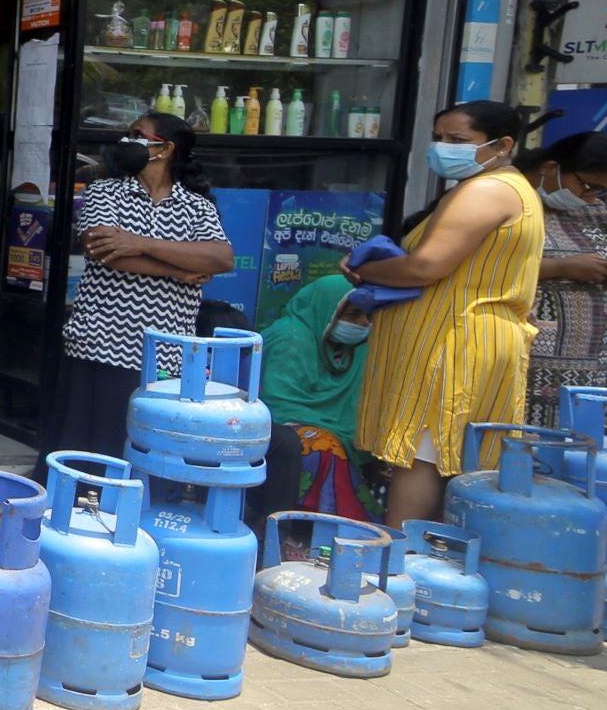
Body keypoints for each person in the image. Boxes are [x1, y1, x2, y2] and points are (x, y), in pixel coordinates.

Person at [354, 101, 544, 527]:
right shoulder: (503, 188)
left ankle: (401, 560)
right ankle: (421, 560)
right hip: (465, 337)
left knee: (424, 455)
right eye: (439, 137)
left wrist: (364, 269)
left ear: (504, 144)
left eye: (458, 141)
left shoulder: (487, 190)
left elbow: (426, 266)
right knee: (443, 454)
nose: (443, 148)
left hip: (454, 342)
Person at [41, 114, 232, 462]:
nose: (127, 142)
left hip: (164, 350)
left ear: (165, 149)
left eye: (137, 135)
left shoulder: (197, 206)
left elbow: (221, 257)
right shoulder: (104, 193)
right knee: (86, 452)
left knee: (141, 450)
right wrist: (180, 269)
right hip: (101, 341)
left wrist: (138, 242)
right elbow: (104, 252)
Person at [253, 273, 377, 522]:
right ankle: (315, 527)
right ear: (327, 311)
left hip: (334, 430)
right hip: (274, 429)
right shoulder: (291, 337)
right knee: (323, 447)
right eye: (353, 315)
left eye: (367, 316)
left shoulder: (356, 349)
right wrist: (333, 431)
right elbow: (277, 404)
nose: (363, 323)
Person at [516, 132, 607, 426]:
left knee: (568, 445)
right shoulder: (511, 200)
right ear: (550, 168)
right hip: (527, 352)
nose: (592, 196)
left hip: (587, 355)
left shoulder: (592, 208)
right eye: (587, 186)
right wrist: (561, 267)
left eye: (602, 190)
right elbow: (484, 267)